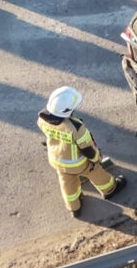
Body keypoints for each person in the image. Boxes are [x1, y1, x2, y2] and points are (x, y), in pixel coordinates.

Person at [38, 86, 125, 217]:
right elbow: (88, 150)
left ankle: (74, 207)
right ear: (68, 110)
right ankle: (110, 189)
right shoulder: (76, 128)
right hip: (77, 164)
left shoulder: (42, 119)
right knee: (95, 172)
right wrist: (97, 159)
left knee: (67, 183)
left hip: (56, 160)